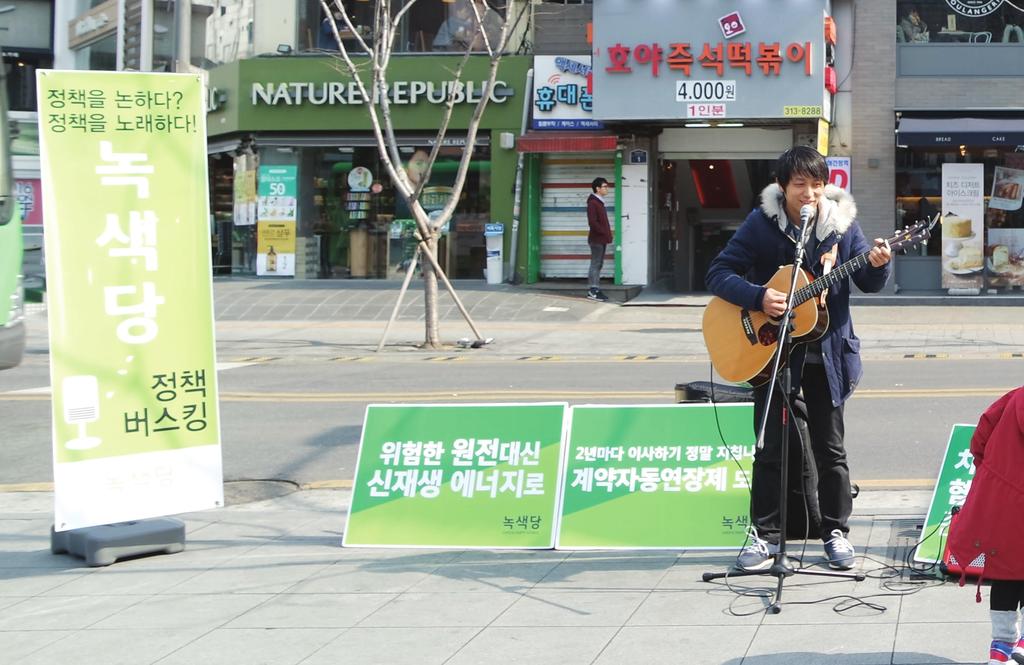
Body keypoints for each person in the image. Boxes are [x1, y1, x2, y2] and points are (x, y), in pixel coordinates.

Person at [705, 146, 892, 572]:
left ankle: (835, 532)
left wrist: (879, 264)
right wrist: (758, 297)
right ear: (783, 185)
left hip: (826, 355)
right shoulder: (761, 224)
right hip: (772, 354)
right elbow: (718, 273)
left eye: (817, 184)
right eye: (800, 184)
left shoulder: (842, 227)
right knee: (769, 447)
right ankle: (767, 536)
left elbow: (869, 281)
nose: (809, 193)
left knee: (830, 449)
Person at [947, 386, 1024, 665]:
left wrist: (992, 471)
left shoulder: (1013, 397)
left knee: (1006, 572)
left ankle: (1000, 650)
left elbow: (979, 440)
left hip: (1002, 502)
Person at [586, 177, 612, 302]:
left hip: (601, 238)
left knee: (599, 264)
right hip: (596, 239)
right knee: (595, 264)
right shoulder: (593, 203)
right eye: (605, 186)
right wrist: (603, 232)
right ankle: (593, 290)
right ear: (597, 188)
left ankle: (596, 288)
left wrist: (607, 234)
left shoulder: (599, 202)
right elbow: (592, 222)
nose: (607, 189)